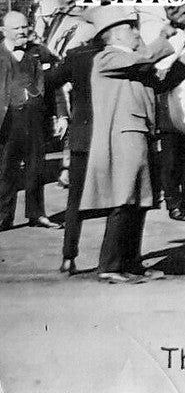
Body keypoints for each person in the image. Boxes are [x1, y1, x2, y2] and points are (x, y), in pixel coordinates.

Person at [80, 6, 185, 284]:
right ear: (113, 34)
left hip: (139, 134)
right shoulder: (106, 58)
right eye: (130, 27)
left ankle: (131, 262)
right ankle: (110, 265)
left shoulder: (131, 63)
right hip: (123, 136)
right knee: (124, 199)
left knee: (139, 201)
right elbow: (146, 58)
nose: (136, 32)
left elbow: (161, 82)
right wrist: (166, 34)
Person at [44, 17, 101, 274]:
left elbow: (47, 81)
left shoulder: (77, 56)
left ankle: (69, 257)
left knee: (74, 201)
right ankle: (119, 260)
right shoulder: (121, 55)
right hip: (111, 137)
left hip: (82, 135)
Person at [0, 11, 62, 231]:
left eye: (24, 27)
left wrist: (61, 115)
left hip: (35, 119)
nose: (21, 32)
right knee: (6, 169)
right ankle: (3, 217)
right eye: (16, 28)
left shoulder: (38, 53)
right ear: (3, 30)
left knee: (36, 167)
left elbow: (56, 85)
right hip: (7, 120)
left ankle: (37, 214)